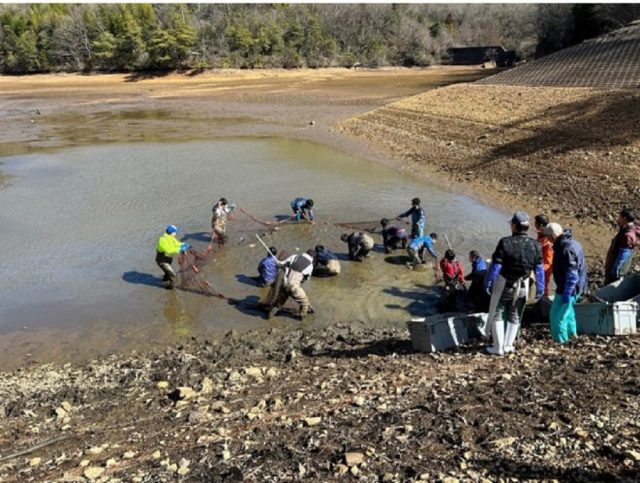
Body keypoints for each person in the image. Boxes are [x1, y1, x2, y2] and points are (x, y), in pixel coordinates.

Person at [484, 211, 544, 355]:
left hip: (504, 283)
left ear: (515, 226)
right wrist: (540, 288)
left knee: (497, 313)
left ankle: (497, 348)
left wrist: (488, 282)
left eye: (512, 224)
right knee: (515, 315)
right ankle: (508, 346)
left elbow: (496, 266)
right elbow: (539, 269)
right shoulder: (535, 245)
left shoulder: (505, 242)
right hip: (523, 284)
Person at [544, 223, 588, 344]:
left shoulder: (565, 248)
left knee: (557, 317)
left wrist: (567, 293)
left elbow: (572, 274)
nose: (547, 239)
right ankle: (572, 336)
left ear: (553, 235)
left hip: (569, 288)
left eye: (547, 236)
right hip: (578, 286)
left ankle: (561, 341)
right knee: (568, 313)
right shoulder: (573, 243)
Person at [267, 249, 316, 320]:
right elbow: (306, 279)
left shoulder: (295, 256)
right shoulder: (310, 266)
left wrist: (277, 262)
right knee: (305, 303)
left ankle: (269, 316)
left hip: (284, 284)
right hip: (294, 287)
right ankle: (302, 318)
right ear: (312, 257)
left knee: (279, 303)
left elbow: (281, 265)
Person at [604, 208, 639, 285]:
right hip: (619, 261)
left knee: (611, 284)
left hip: (617, 265)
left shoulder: (627, 235)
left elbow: (624, 254)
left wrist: (616, 270)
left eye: (620, 217)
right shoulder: (631, 227)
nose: (618, 218)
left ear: (624, 218)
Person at [156, 225, 189, 290]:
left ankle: (165, 280)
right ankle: (170, 288)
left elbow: (176, 243)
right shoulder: (162, 240)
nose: (175, 233)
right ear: (172, 232)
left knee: (167, 273)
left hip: (168, 259)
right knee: (173, 275)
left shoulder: (171, 237)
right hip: (162, 260)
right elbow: (168, 249)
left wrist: (182, 244)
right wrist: (180, 249)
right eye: (175, 232)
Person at [534, 214, 554, 296]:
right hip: (543, 263)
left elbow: (548, 260)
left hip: (546, 265)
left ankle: (542, 299)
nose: (534, 224)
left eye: (536, 223)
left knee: (543, 284)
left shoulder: (546, 239)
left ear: (541, 225)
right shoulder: (543, 234)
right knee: (541, 284)